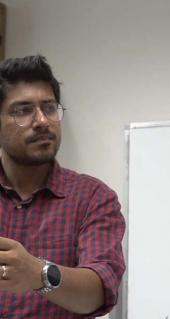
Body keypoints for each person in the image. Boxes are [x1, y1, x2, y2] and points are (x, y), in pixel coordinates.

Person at [0, 55, 125, 318]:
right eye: (23, 110)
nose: (42, 121)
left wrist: (38, 274)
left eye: (49, 108)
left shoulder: (92, 197)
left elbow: (100, 291)